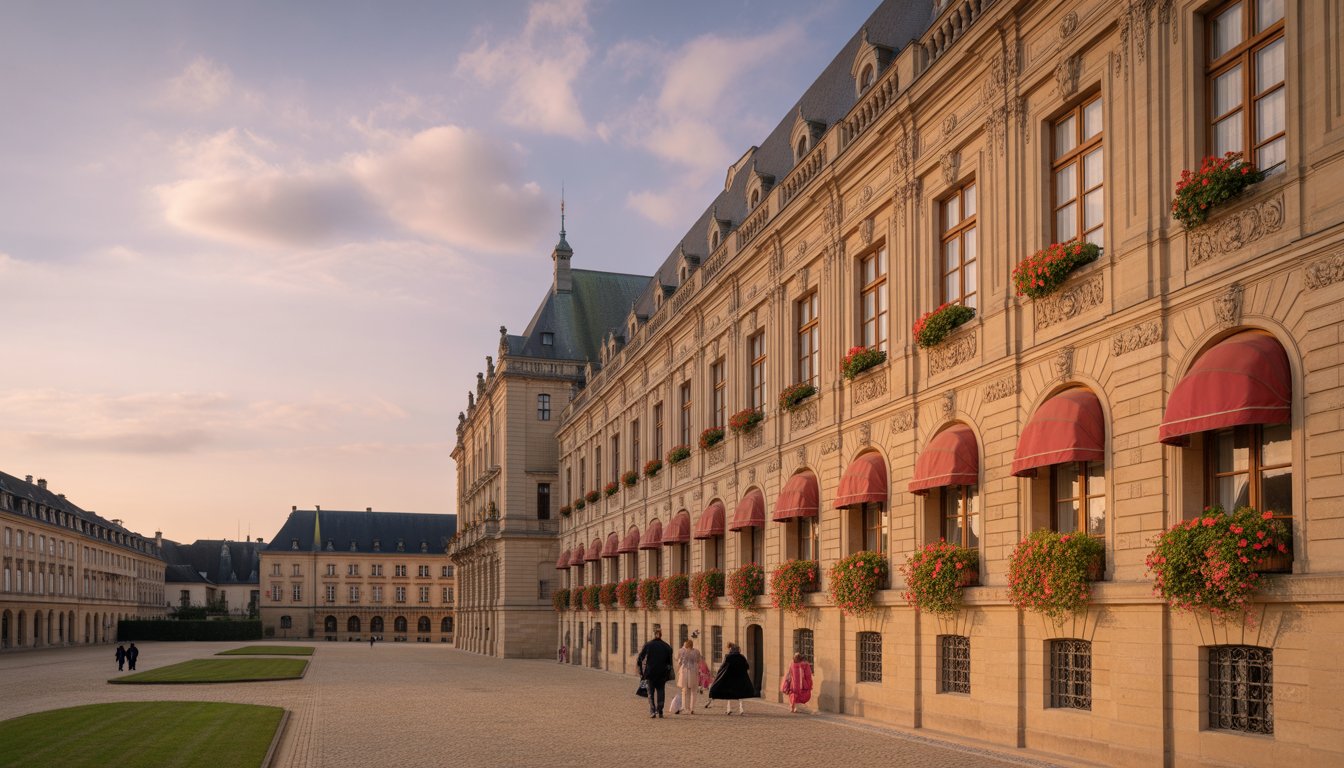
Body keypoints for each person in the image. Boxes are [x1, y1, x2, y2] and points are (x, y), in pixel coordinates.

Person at [709, 641, 757, 715]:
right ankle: (741, 709)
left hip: (730, 678)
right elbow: (747, 666)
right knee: (740, 694)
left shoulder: (728, 657)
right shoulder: (742, 657)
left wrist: (719, 675)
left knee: (729, 694)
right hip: (739, 678)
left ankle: (729, 709)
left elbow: (722, 667)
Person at [635, 628, 674, 719]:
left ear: (654, 634)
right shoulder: (667, 646)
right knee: (661, 691)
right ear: (661, 635)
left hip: (650, 672)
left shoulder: (648, 645)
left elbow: (640, 658)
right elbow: (670, 663)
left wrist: (641, 670)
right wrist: (667, 672)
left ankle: (652, 711)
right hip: (662, 673)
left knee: (651, 692)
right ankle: (660, 710)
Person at [674, 639, 703, 714]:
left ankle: (684, 707)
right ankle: (692, 708)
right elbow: (698, 661)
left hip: (684, 672)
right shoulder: (696, 651)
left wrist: (677, 670)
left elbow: (678, 660)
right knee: (693, 690)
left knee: (684, 690)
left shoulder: (681, 651)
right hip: (693, 671)